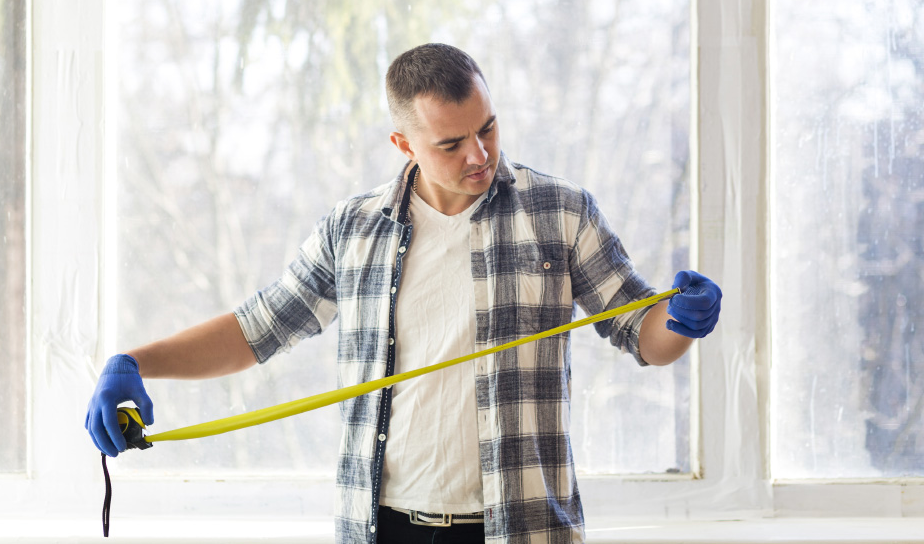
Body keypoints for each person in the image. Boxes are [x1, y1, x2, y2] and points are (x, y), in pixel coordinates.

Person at [86, 43, 722, 543]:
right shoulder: (354, 229)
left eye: (489, 129)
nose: (480, 155)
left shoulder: (561, 212)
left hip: (523, 530)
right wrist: (135, 363)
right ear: (404, 145)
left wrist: (682, 322)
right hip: (382, 528)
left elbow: (644, 336)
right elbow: (257, 330)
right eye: (451, 143)